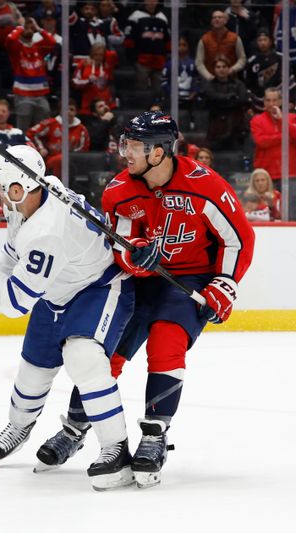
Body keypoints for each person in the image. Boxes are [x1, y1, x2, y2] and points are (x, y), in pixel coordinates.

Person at [36, 111, 255, 488]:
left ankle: (154, 436)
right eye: (127, 144)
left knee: (167, 342)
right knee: (104, 355)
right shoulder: (119, 190)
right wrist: (134, 252)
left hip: (190, 278)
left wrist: (224, 283)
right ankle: (74, 429)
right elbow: (120, 245)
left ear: (159, 152)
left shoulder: (205, 186)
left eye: (135, 146)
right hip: (139, 280)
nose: (126, 153)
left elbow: (238, 238)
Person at [0, 144, 135, 490]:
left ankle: (116, 450)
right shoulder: (36, 195)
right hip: (58, 289)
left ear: (19, 188)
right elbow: (13, 253)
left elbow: (16, 303)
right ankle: (19, 427)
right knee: (33, 368)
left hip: (97, 289)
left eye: (2, 190)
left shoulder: (48, 229)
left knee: (83, 358)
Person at [250, 87, 296, 219]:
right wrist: (284, 136)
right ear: (264, 102)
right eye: (268, 100)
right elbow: (261, 141)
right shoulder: (257, 120)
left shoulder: (292, 118)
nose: (271, 104)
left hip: (291, 174)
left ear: (281, 101)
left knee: (291, 213)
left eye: (275, 100)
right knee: (267, 212)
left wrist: (282, 120)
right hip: (266, 175)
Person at [4, 16, 56, 131]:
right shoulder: (17, 48)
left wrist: (39, 28)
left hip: (40, 94)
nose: (28, 30)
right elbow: (10, 40)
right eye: (26, 28)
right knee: (23, 127)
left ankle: (40, 147)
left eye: (30, 28)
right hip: (23, 94)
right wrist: (21, 26)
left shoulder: (39, 47)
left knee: (44, 127)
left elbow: (52, 42)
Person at [124, 0, 169, 97]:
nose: (152, 2)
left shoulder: (163, 17)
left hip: (159, 60)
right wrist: (134, 58)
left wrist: (166, 56)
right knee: (141, 90)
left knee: (158, 91)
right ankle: (142, 111)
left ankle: (156, 111)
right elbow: (129, 39)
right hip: (142, 60)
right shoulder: (135, 16)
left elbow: (167, 40)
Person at [203, 55, 249, 150]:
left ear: (229, 68)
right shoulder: (209, 85)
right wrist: (230, 97)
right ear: (214, 69)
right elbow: (211, 98)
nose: (221, 69)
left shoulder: (238, 84)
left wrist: (221, 100)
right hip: (216, 126)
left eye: (224, 66)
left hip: (236, 125)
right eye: (218, 67)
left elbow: (242, 99)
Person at [195, 10, 246, 83]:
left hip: (230, 81)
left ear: (225, 21)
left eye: (219, 17)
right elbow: (199, 62)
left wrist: (232, 70)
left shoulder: (235, 38)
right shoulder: (204, 39)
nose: (217, 19)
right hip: (210, 80)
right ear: (211, 21)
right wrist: (208, 76)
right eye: (214, 17)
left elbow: (242, 59)